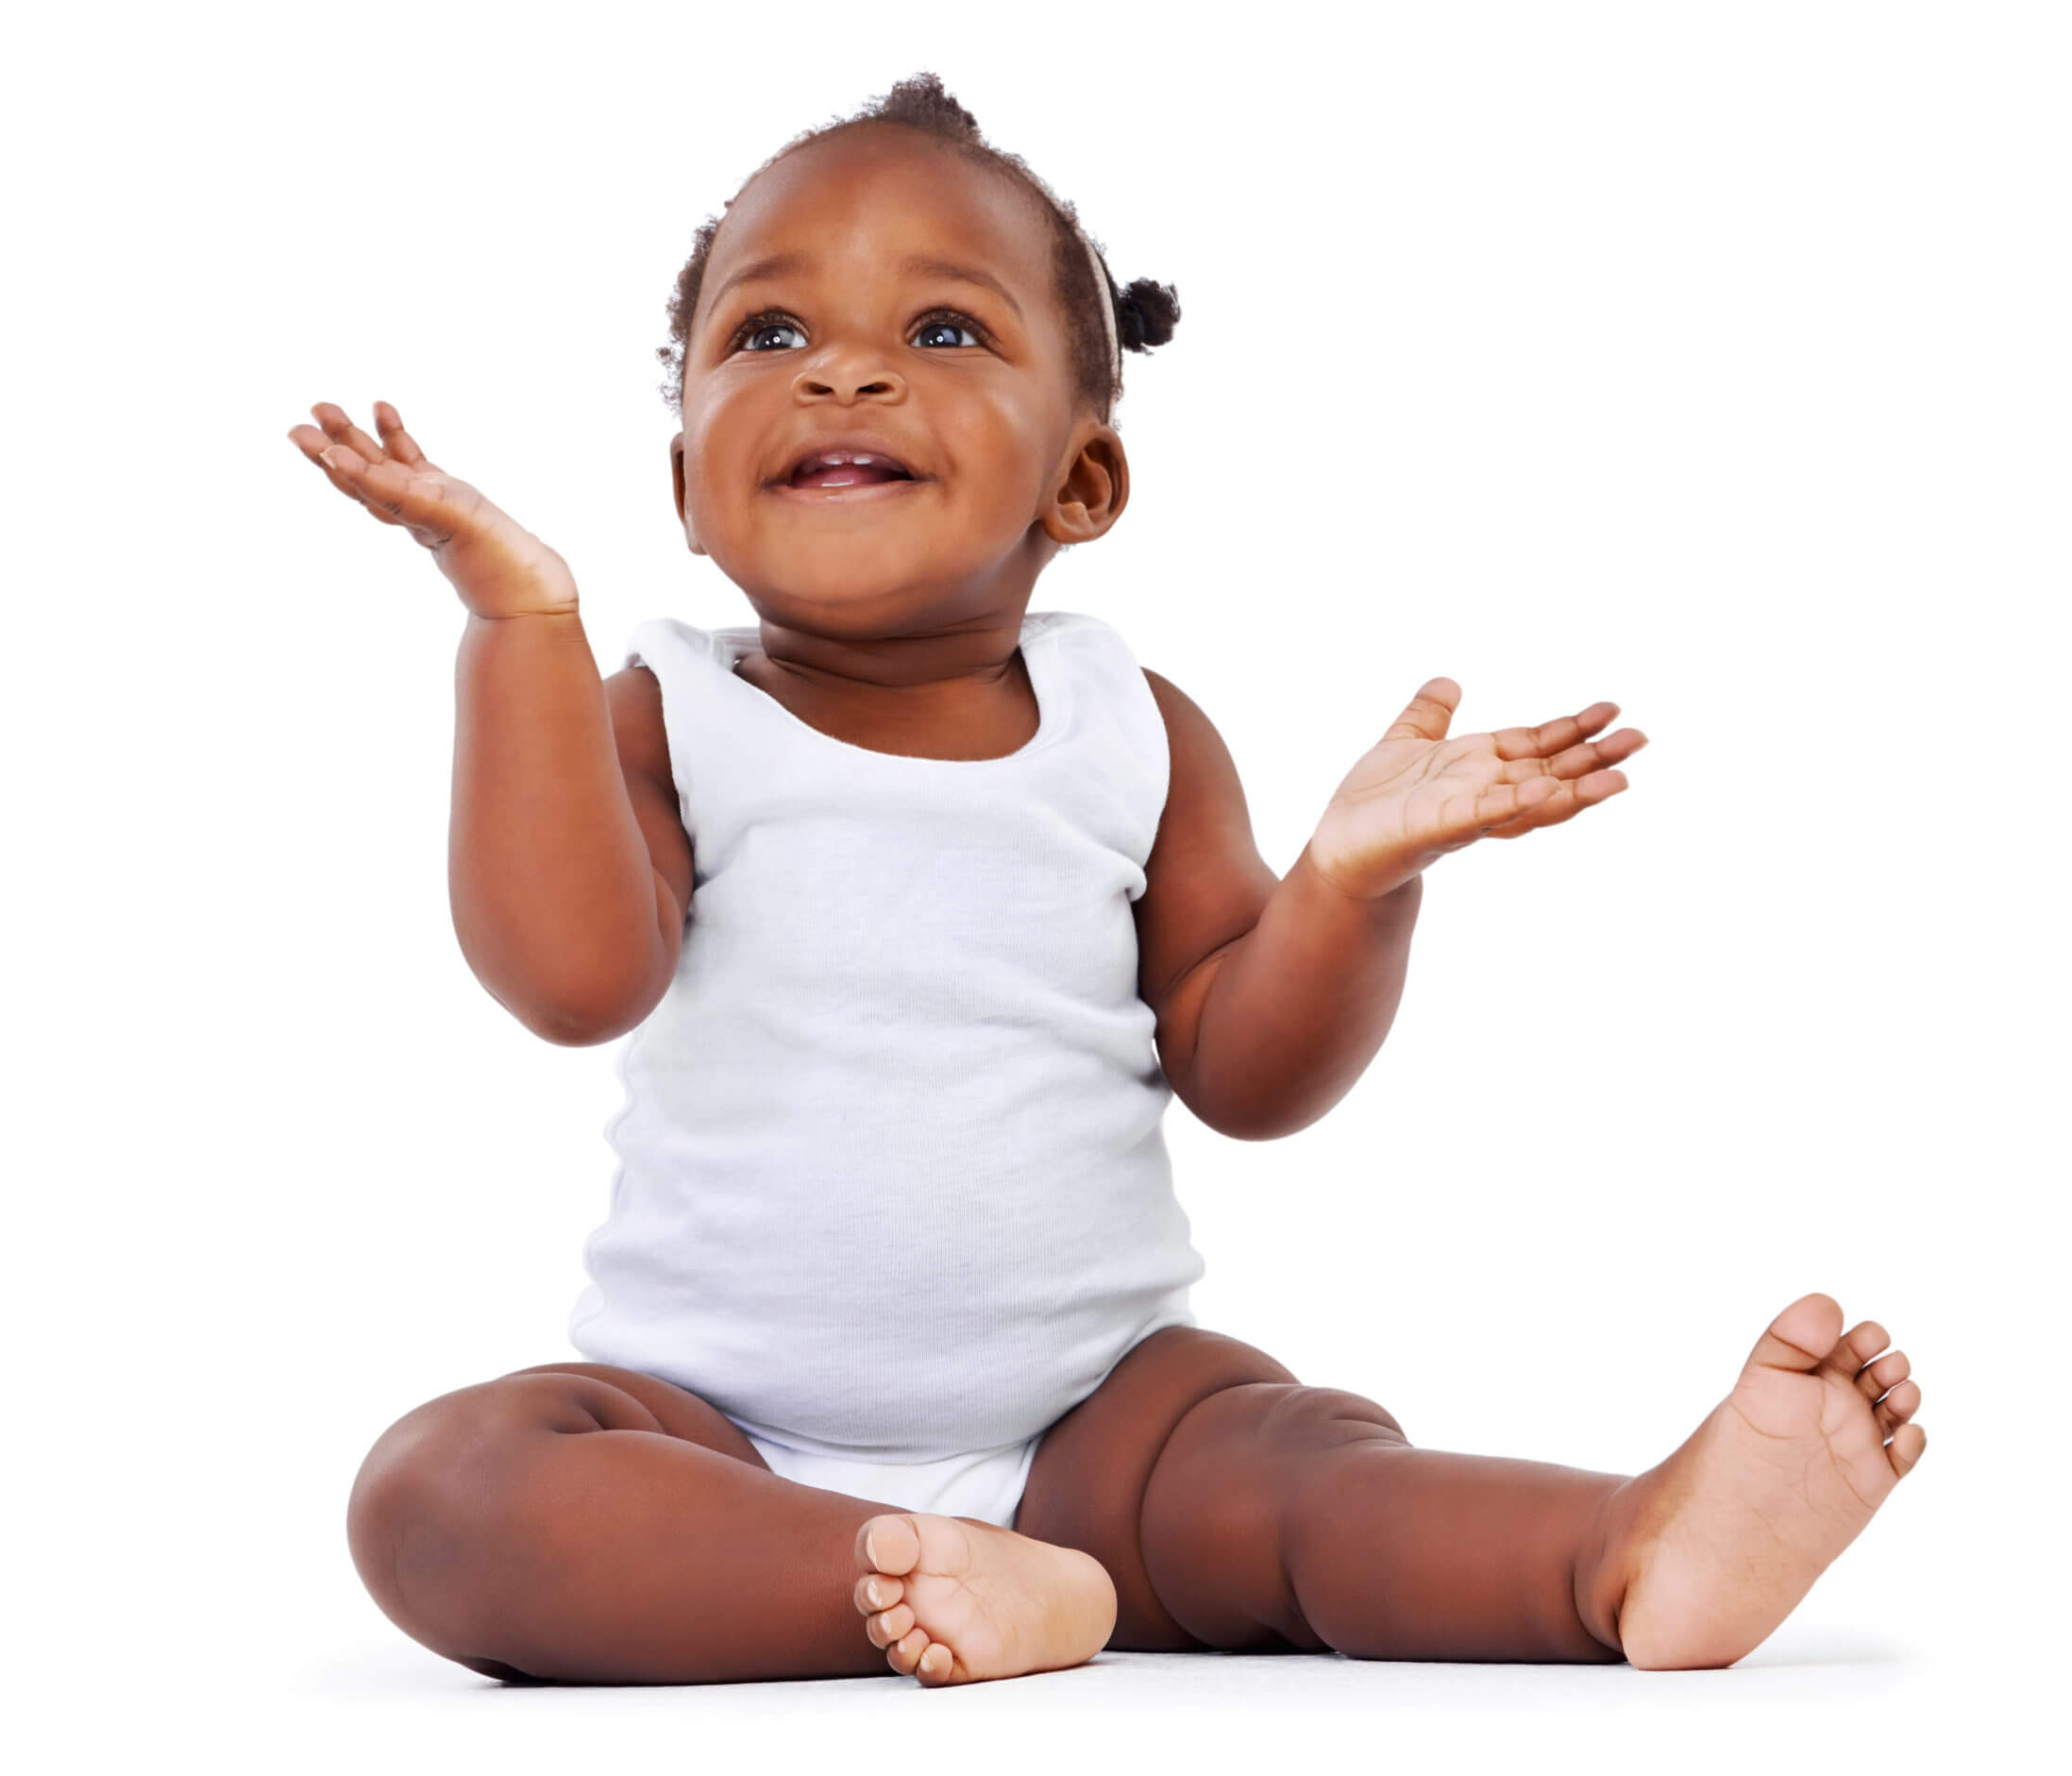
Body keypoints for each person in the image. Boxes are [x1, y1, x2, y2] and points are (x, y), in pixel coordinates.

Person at [287, 72, 1925, 1688]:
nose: (841, 373)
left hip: (1096, 1435)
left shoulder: (1129, 729)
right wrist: (520, 634)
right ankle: (877, 1577)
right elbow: (572, 977)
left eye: (941, 334)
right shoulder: (667, 714)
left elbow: (1249, 1072)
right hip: (711, 1439)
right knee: (441, 1492)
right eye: (765, 336)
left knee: (1290, 1468)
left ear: (1082, 478)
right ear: (687, 487)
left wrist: (1348, 888)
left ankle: (1624, 1551)